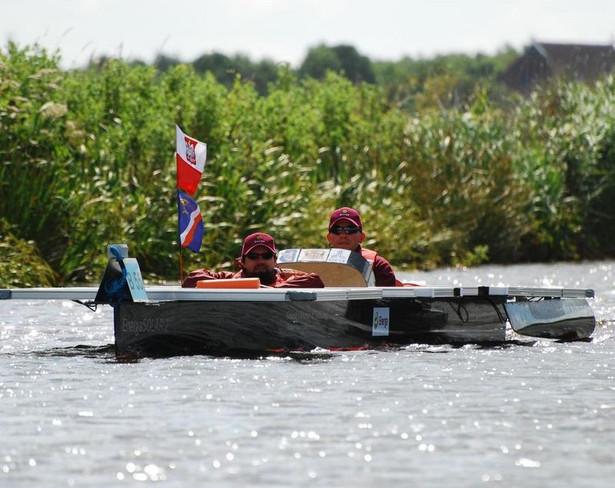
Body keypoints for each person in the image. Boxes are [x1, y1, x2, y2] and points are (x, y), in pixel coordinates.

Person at [182, 232, 325, 288]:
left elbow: (315, 280)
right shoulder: (229, 278)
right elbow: (192, 278)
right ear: (242, 261)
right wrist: (232, 287)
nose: (260, 260)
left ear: (275, 260)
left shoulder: (287, 278)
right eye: (253, 256)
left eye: (266, 256)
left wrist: (276, 291)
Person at [326, 207, 398, 286]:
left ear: (362, 237)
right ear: (329, 237)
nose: (343, 235)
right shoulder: (316, 264)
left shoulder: (379, 265)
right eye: (337, 230)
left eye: (350, 230)